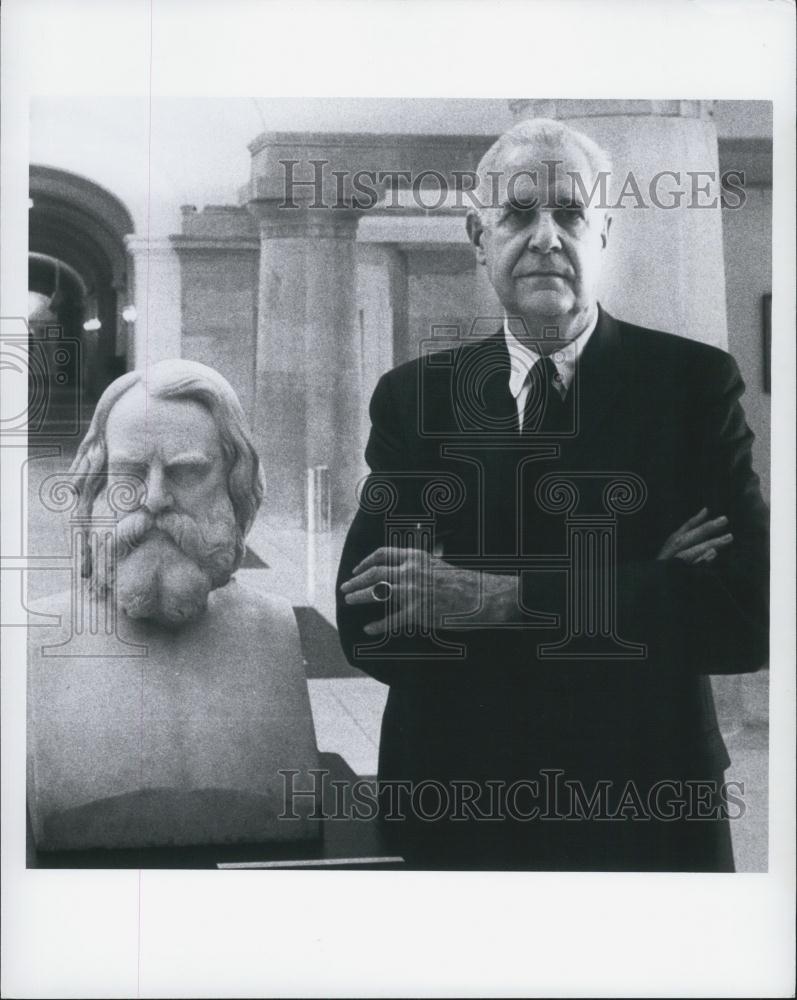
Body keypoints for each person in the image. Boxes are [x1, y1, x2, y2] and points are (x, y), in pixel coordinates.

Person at [335, 119, 769, 871]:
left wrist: (497, 598)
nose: (544, 236)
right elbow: (371, 620)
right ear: (478, 236)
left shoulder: (689, 386)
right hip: (457, 794)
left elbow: (746, 611)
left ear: (603, 233)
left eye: (569, 213)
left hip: (642, 794)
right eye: (517, 214)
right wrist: (644, 586)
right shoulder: (416, 400)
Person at [28, 360, 319, 852]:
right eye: (130, 472)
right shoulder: (38, 632)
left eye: (187, 472)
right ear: (97, 479)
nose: (156, 498)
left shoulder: (275, 628)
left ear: (235, 478)